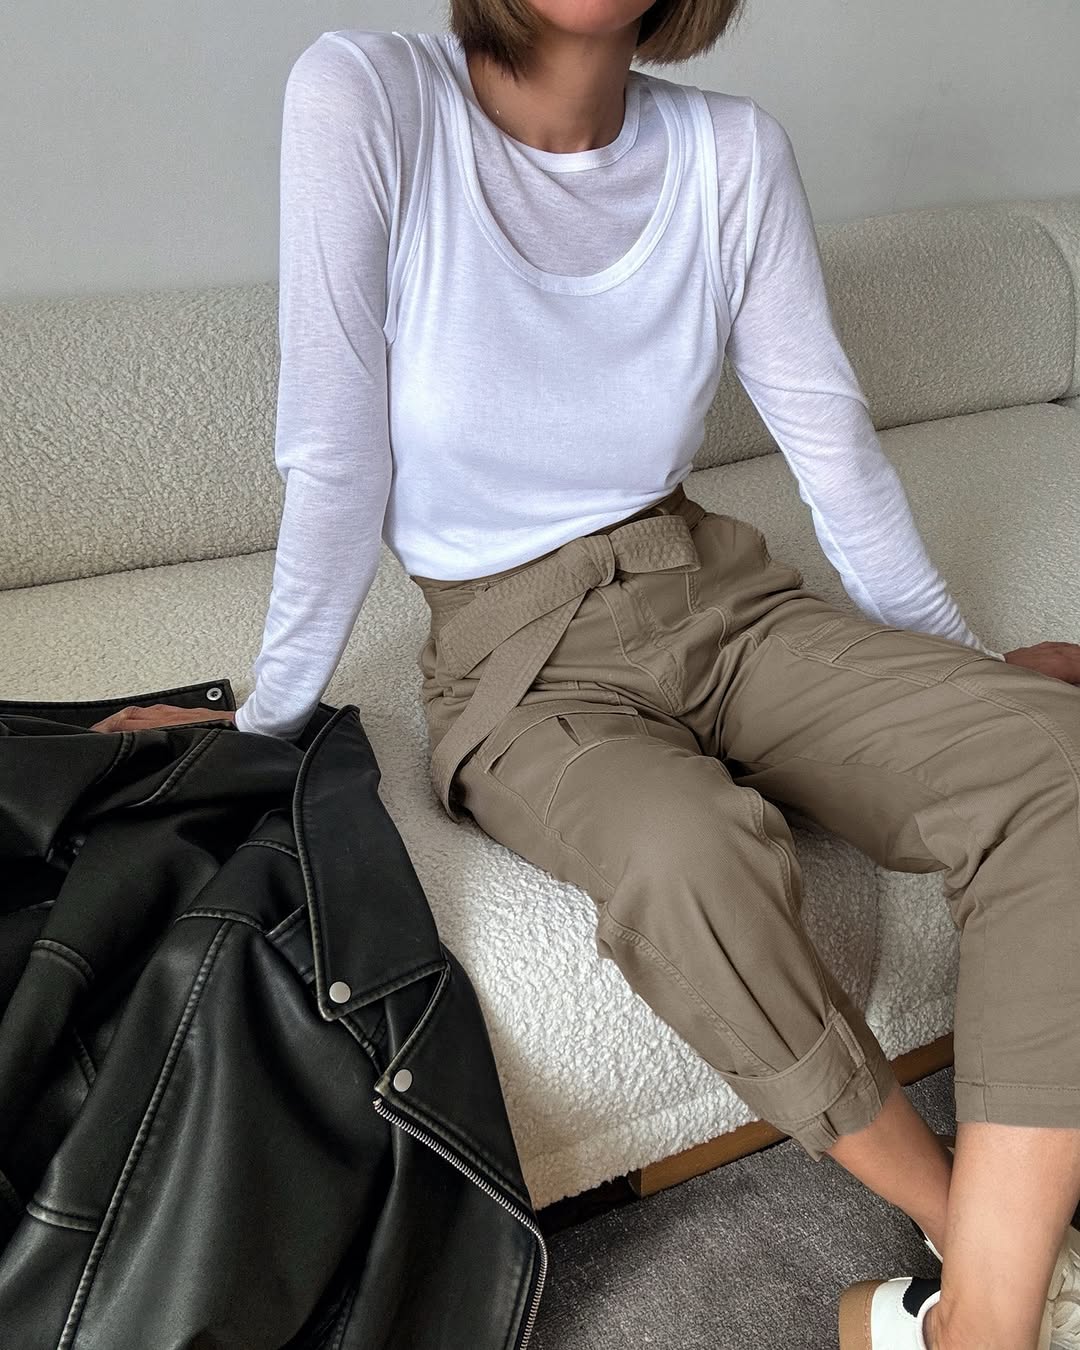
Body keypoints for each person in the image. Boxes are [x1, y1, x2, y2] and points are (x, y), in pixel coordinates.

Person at [90, 2, 1080, 1346]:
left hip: (716, 589)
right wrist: (263, 719)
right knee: (688, 855)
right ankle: (972, 1241)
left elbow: (834, 451)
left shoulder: (733, 153)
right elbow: (335, 455)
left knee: (1047, 753)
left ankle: (975, 1320)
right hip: (517, 662)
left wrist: (960, 672)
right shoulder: (370, 96)